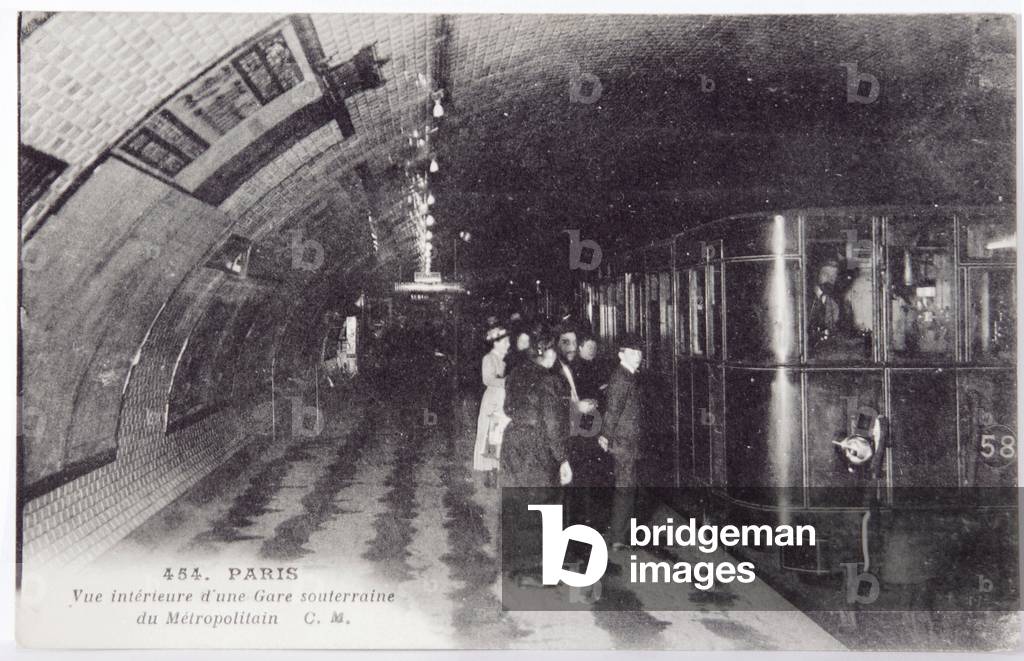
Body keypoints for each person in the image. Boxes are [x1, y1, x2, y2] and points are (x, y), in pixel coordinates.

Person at [499, 335, 573, 586]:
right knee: (547, 504)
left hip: (514, 441)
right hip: (537, 445)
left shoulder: (516, 374)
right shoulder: (548, 380)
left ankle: (515, 566)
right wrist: (563, 459)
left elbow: (508, 409)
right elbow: (552, 424)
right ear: (548, 354)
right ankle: (543, 572)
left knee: (518, 503)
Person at [599, 334, 644, 551]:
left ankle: (622, 534)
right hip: (623, 442)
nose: (638, 356)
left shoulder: (628, 375)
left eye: (639, 352)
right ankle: (619, 537)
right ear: (621, 354)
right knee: (625, 488)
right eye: (632, 352)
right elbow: (612, 411)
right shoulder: (623, 378)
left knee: (626, 486)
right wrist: (605, 435)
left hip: (627, 441)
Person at [474, 326, 510, 485]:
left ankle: (498, 469)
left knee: (500, 434)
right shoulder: (488, 358)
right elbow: (487, 379)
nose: (508, 344)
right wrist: (508, 381)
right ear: (496, 343)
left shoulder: (506, 359)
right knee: (490, 434)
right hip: (493, 400)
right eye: (505, 341)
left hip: (503, 400)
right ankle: (490, 471)